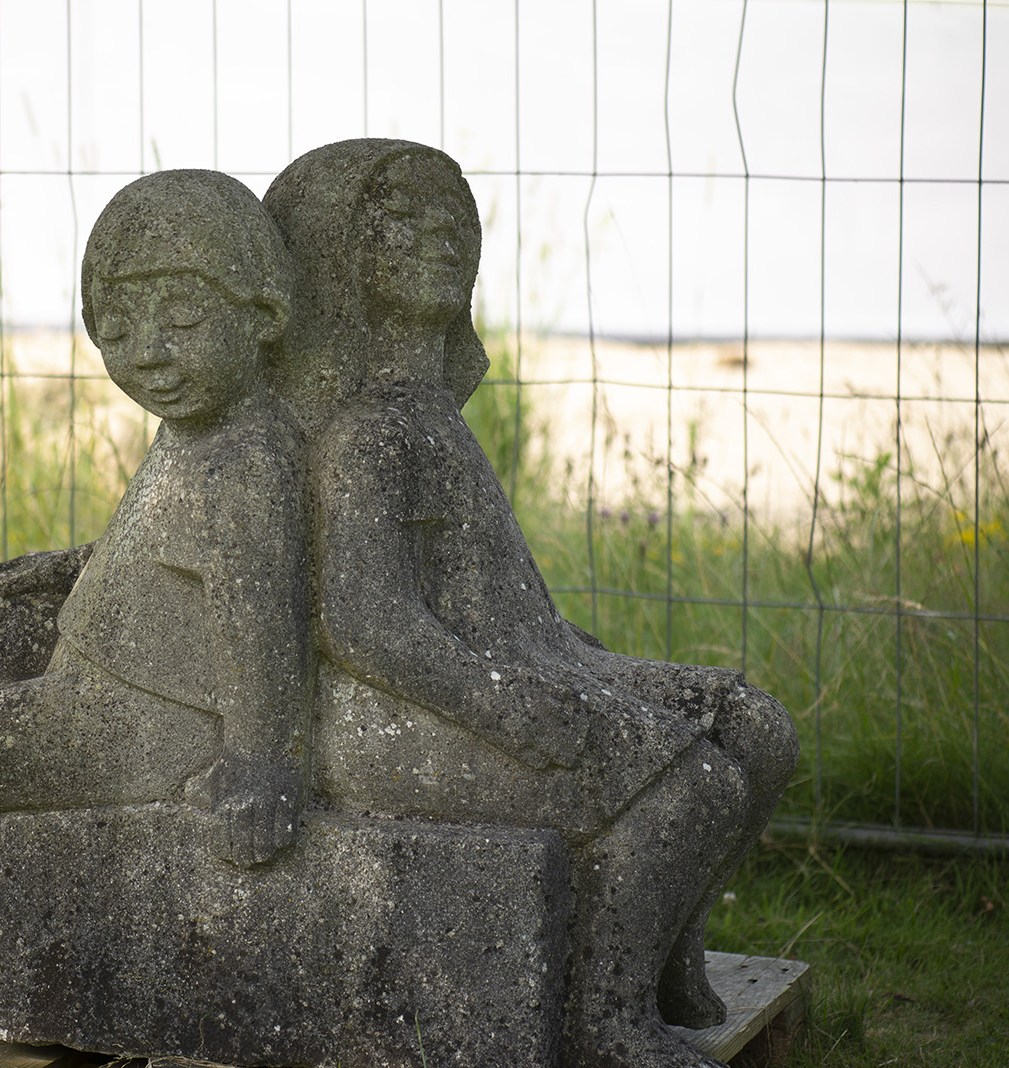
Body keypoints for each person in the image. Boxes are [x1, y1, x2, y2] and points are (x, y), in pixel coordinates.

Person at [264, 139, 798, 1068]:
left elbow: (505, 606)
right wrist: (507, 706)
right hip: (411, 709)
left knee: (754, 728)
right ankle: (606, 1015)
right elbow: (362, 623)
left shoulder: (431, 417)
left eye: (452, 218)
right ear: (343, 252)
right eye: (401, 218)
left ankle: (667, 946)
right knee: (695, 786)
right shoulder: (365, 432)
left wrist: (583, 669)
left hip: (526, 662)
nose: (436, 236)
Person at [0, 170, 312, 997]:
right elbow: (170, 538)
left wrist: (259, 765)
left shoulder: (244, 459)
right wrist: (69, 569)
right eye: (119, 330)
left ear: (264, 314)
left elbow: (259, 616)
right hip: (121, 660)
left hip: (141, 720)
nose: (149, 354)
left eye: (184, 320)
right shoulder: (204, 431)